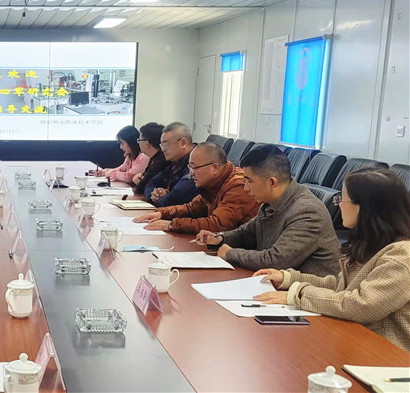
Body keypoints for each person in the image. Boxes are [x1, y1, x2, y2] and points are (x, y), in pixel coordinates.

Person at [254, 169, 410, 352]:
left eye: (342, 200)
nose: (339, 205)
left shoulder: (401, 256)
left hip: (387, 355)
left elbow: (361, 305)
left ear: (365, 207)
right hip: (357, 340)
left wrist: (296, 295)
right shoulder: (371, 242)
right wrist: (289, 279)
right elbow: (340, 286)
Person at [197, 145, 341, 276]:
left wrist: (230, 254)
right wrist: (220, 238)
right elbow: (246, 233)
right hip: (279, 286)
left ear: (271, 182)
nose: (245, 188)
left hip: (308, 292)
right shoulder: (271, 202)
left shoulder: (307, 212)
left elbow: (275, 261)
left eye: (249, 181)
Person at [134, 142, 259, 233]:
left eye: (194, 167)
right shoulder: (214, 182)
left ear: (214, 168)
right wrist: (161, 213)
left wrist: (172, 225)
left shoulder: (238, 185)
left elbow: (218, 224)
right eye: (189, 167)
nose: (191, 173)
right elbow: (191, 209)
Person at [144, 122, 198, 207]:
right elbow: (150, 183)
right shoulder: (174, 162)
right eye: (162, 145)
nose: (163, 149)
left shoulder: (196, 163)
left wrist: (160, 199)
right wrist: (154, 195)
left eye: (166, 144)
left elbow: (175, 199)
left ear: (183, 143)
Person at [132, 122, 169, 195]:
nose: (138, 143)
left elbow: (142, 187)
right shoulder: (154, 158)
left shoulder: (161, 161)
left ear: (146, 143)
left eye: (139, 140)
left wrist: (140, 182)